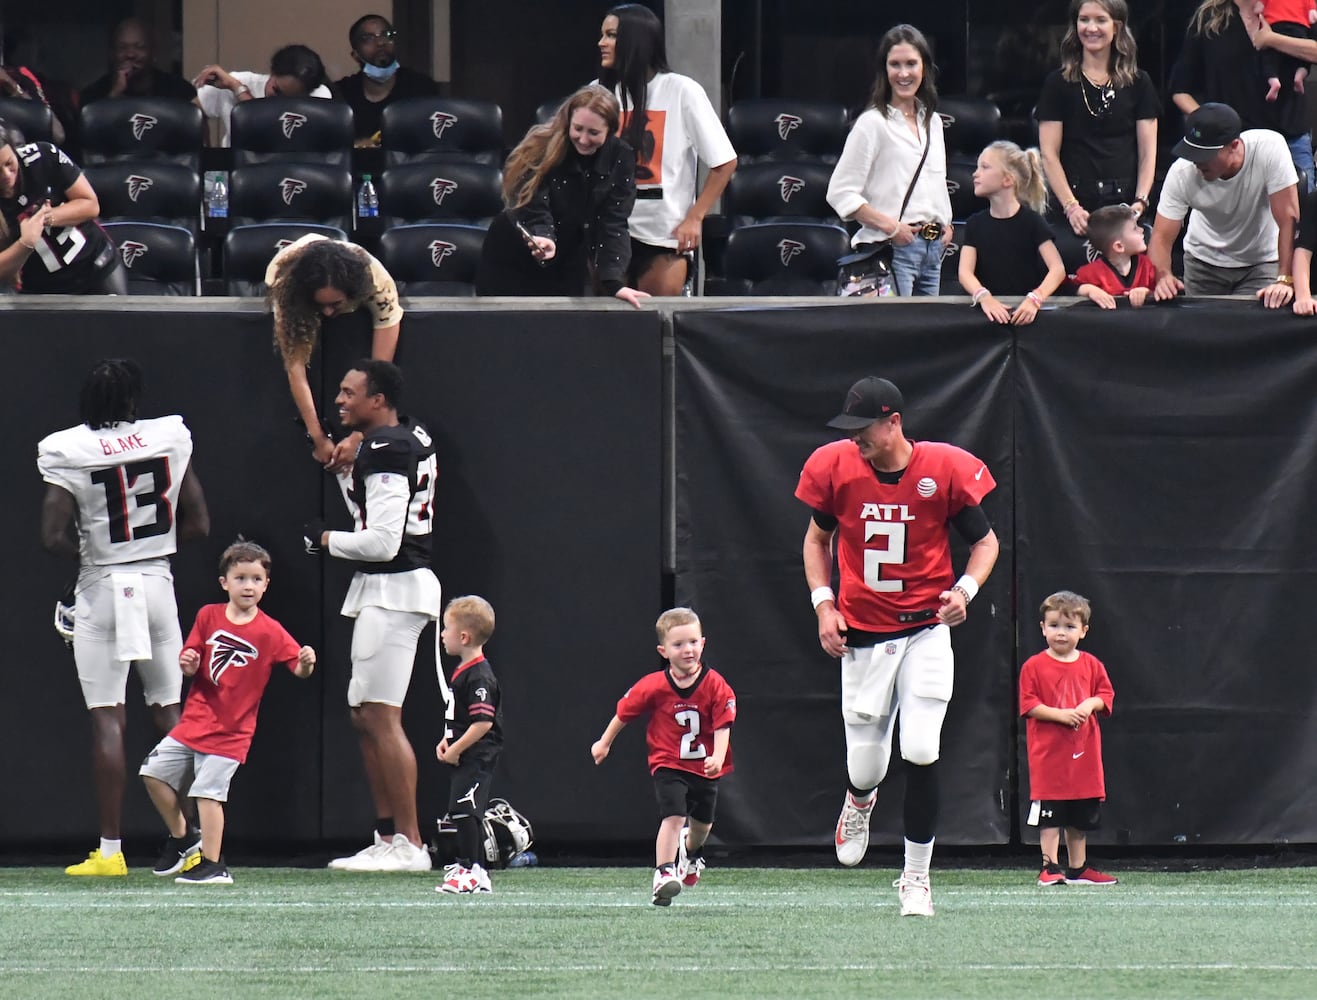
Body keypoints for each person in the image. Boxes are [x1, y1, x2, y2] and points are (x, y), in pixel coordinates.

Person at [796, 376, 998, 918]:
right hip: (863, 633)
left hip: (925, 628)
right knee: (865, 767)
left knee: (922, 748)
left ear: (894, 423)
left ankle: (915, 878)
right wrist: (823, 604)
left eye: (864, 429)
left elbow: (985, 541)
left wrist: (965, 590)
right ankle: (859, 800)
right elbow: (816, 539)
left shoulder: (943, 469)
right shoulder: (835, 467)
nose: (855, 439)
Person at [37, 358, 210, 876]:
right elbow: (199, 524)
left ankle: (111, 853)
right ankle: (195, 839)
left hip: (104, 587)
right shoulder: (168, 436)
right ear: (134, 400)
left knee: (109, 718)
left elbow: (51, 537)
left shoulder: (68, 448)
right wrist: (147, 550)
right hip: (156, 581)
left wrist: (96, 557)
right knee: (171, 714)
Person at [304, 360, 440, 873]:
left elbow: (382, 542)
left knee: (381, 717)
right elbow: (375, 513)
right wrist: (346, 468)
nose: (339, 401)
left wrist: (322, 540)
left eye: (349, 393)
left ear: (377, 400)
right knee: (365, 715)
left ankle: (410, 843)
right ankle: (388, 837)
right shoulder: (399, 438)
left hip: (395, 587)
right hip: (385, 589)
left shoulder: (387, 447)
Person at [140, 540, 315, 886]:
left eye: (255, 579)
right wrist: (188, 662)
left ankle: (213, 863)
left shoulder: (270, 630)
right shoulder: (208, 615)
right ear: (225, 583)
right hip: (194, 722)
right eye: (240, 578)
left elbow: (297, 667)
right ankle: (185, 840)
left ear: (266, 584)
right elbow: (190, 658)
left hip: (231, 731)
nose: (247, 586)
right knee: (152, 774)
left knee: (208, 793)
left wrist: (307, 663)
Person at [591, 607, 736, 907]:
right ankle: (663, 873)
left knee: (701, 828)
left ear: (703, 643)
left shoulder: (715, 685)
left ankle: (689, 851)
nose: (688, 650)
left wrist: (718, 757)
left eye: (693, 642)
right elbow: (624, 713)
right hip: (668, 763)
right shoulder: (654, 685)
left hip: (704, 767)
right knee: (673, 816)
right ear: (663, 650)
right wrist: (604, 742)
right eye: (679, 644)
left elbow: (724, 724)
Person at [597, 3, 737, 296]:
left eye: (611, 35)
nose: (602, 43)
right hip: (608, 232)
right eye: (603, 35)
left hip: (664, 235)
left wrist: (695, 217)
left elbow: (724, 162)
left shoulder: (681, 90)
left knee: (659, 328)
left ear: (635, 40)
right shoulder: (597, 92)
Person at [475, 84, 648, 306]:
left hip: (567, 256)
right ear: (568, 122)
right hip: (516, 250)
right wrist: (543, 234)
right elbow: (532, 199)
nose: (583, 139)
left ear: (611, 130)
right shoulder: (542, 145)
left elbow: (613, 221)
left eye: (594, 133)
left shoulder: (621, 156)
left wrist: (614, 282)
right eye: (578, 129)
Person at [826, 23, 954, 296]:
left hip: (933, 250)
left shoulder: (933, 123)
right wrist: (891, 227)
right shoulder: (871, 123)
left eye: (911, 63)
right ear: (884, 70)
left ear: (925, 68)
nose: (904, 73)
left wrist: (947, 222)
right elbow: (840, 192)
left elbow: (935, 181)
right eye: (895, 64)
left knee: (926, 337)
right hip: (892, 250)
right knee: (897, 336)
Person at [265, 234, 402, 470]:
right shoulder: (283, 283)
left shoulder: (376, 280)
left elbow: (378, 373)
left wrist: (360, 436)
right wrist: (318, 438)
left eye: (335, 304)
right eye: (321, 305)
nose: (328, 313)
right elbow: (296, 371)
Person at [1149, 102, 1299, 306]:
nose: (1197, 162)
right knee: (1203, 332)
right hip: (1203, 262)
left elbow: (1288, 219)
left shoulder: (1269, 149)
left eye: (1204, 155)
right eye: (1192, 152)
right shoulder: (1182, 172)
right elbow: (1160, 237)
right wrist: (1163, 275)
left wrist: (1284, 278)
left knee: (1252, 331)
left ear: (1234, 145)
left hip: (1261, 261)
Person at [1036, 0, 1160, 236]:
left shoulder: (1140, 83)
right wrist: (1071, 208)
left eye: (1100, 20)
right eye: (1084, 20)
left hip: (1125, 205)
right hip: (1074, 206)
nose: (1091, 28)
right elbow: (1049, 155)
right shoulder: (1057, 84)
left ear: (1117, 27)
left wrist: (1140, 202)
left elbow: (1147, 152)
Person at [1019, 590, 1117, 887]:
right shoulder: (1033, 666)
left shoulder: (1091, 664)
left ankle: (1078, 868)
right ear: (1042, 628)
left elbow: (1105, 696)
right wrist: (1060, 715)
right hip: (1049, 758)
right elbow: (1029, 704)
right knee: (1051, 816)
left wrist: (1088, 705)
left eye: (1069, 626)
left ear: (1083, 631)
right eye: (1054, 625)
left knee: (1080, 817)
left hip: (1084, 758)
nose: (1061, 633)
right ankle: (1050, 866)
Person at [1171, 0, 1317, 194]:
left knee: (1301, 214)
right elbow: (1180, 89)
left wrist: (1272, 39)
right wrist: (1211, 124)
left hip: (1290, 136)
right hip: (1233, 144)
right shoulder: (1210, 18)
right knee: (1237, 218)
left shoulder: (1292, 4)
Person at [0, 123, 125, 294]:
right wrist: (26, 243)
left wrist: (45, 218)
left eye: (9, 163)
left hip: (95, 266)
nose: (7, 175)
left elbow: (90, 204)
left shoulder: (42, 156)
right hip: (42, 290)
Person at [434, 595, 504, 895]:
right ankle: (474, 869)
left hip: (477, 755)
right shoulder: (463, 671)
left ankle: (469, 869)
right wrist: (447, 740)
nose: (442, 635)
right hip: (465, 752)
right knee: (462, 809)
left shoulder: (479, 676)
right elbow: (461, 717)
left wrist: (457, 748)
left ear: (464, 637)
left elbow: (483, 722)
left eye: (446, 629)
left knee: (464, 809)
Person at [958, 141, 1066, 325]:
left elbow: (1057, 269)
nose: (975, 174)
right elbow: (965, 272)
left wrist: (1035, 299)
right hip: (988, 317)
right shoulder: (975, 223)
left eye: (984, 167)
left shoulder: (1032, 222)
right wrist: (984, 297)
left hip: (1025, 316)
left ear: (1007, 180)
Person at [193, 44, 333, 147]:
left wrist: (239, 90)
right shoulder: (237, 81)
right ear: (272, 72)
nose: (279, 100)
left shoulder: (320, 96)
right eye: (277, 90)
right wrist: (208, 159)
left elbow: (272, 133)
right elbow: (192, 110)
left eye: (290, 99)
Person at [334, 14, 439, 146]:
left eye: (387, 35)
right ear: (355, 55)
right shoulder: (342, 93)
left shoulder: (421, 87)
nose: (380, 42)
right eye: (368, 38)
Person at [79, 18, 197, 106]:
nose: (130, 54)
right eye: (122, 47)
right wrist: (115, 94)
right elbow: (92, 133)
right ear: (111, 54)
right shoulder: (93, 95)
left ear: (154, 53)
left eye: (140, 47)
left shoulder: (179, 91)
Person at [1071, 203, 1156, 307]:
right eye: (1135, 228)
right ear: (1119, 246)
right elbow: (1066, 288)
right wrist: (1088, 290)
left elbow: (1167, 290)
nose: (1141, 230)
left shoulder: (1149, 266)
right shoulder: (1090, 274)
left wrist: (1148, 293)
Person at [1256, 0, 1317, 102]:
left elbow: (1259, 6)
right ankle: (1300, 74)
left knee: (1269, 59)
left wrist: (1270, 38)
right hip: (1299, 26)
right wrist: (1312, 12)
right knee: (1303, 61)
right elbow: (1312, 13)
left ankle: (1273, 80)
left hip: (1275, 24)